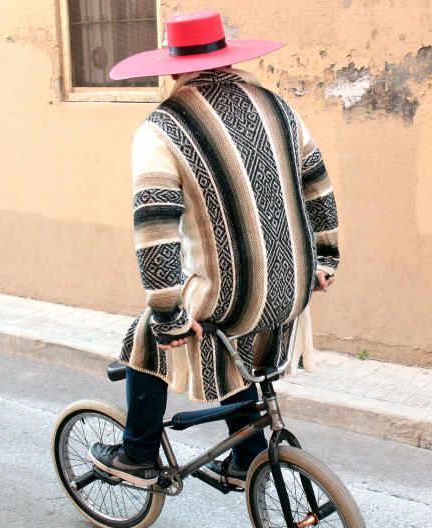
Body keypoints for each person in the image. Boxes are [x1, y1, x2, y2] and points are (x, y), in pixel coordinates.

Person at [89, 10, 340, 489]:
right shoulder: (278, 105)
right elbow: (318, 184)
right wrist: (326, 257)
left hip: (232, 293)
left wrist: (168, 317)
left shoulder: (164, 126)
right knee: (241, 344)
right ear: (226, 57)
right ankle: (246, 455)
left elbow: (155, 228)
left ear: (171, 65)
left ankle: (137, 455)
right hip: (295, 285)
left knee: (146, 340)